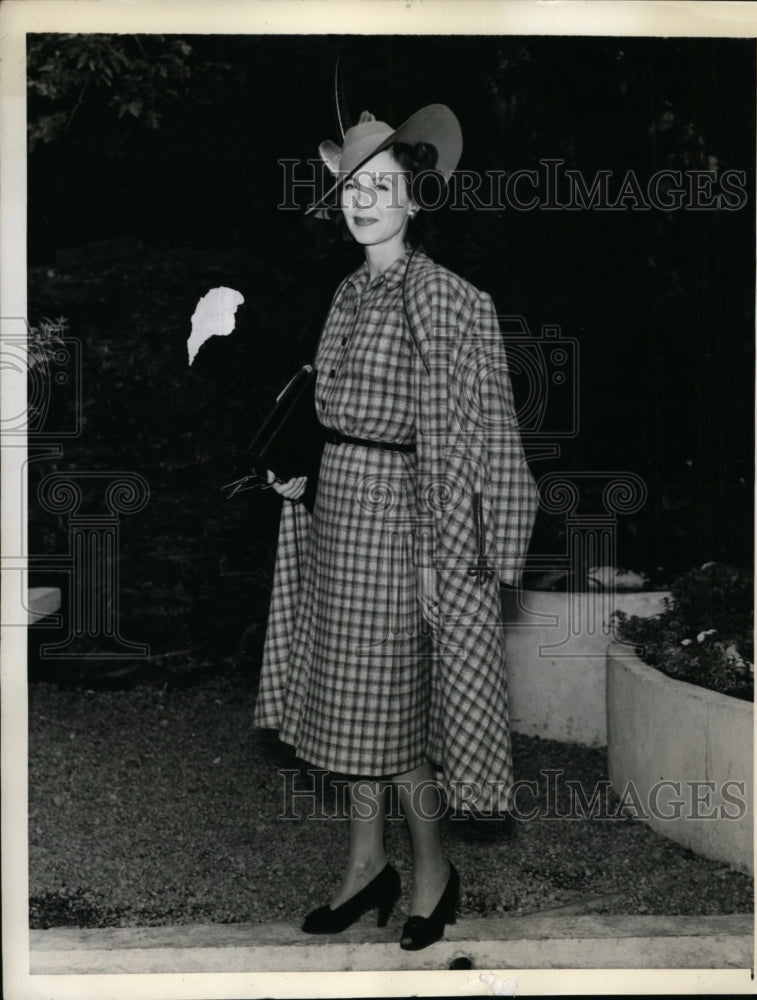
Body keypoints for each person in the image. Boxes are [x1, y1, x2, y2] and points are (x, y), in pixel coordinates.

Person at [254, 105, 538, 950]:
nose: (363, 201)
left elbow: (469, 434)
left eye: (382, 188)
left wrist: (436, 558)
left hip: (408, 520)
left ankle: (431, 873)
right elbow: (337, 408)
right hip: (337, 508)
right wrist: (301, 464)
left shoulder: (447, 299)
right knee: (349, 706)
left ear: (415, 200)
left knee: (394, 715)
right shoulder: (348, 291)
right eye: (351, 188)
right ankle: (364, 867)